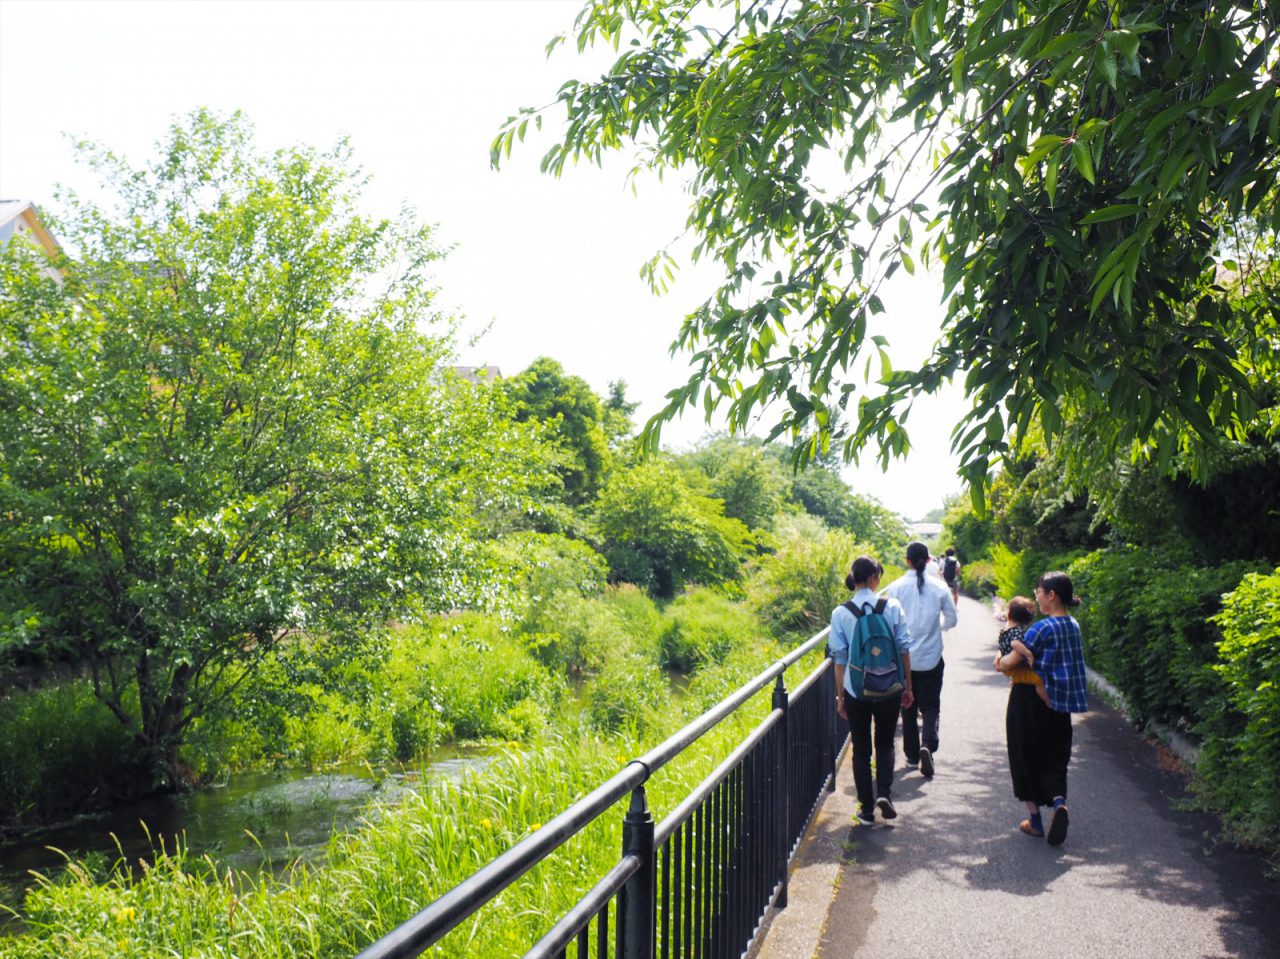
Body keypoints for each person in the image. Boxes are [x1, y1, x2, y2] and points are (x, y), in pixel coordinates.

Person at [994, 571, 1088, 846]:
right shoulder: (1073, 625)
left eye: (1039, 592)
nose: (1036, 596)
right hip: (1059, 703)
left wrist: (999, 658)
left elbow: (1010, 663)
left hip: (1028, 702)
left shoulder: (1041, 628)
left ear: (1052, 596)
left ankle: (1035, 822)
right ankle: (1058, 802)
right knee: (1055, 756)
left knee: (1024, 756)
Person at [829, 555, 914, 824]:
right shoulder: (892, 606)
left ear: (854, 578)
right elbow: (903, 649)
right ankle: (885, 793)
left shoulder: (841, 613)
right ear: (875, 578)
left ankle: (866, 809)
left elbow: (839, 659)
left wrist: (841, 697)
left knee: (862, 748)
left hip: (857, 691)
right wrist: (908, 686)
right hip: (889, 687)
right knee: (886, 742)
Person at [883, 542, 957, 778]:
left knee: (907, 704)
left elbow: (887, 623)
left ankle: (913, 755)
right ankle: (929, 744)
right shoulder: (940, 587)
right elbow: (952, 620)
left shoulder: (894, 588)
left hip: (903, 658)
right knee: (931, 705)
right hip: (931, 656)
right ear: (928, 561)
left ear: (906, 560)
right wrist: (936, 628)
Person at [994, 596, 1050, 708]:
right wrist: (1028, 654)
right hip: (1015, 668)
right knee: (1038, 680)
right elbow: (1015, 644)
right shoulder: (1017, 631)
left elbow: (1002, 646)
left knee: (1020, 676)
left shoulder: (1005, 630)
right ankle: (1048, 701)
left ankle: (1014, 679)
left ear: (1009, 615)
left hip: (1006, 665)